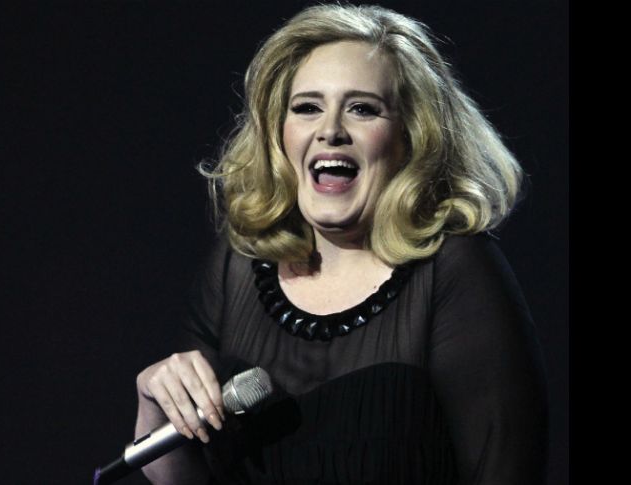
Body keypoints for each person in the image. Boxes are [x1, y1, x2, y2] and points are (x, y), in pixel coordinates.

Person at [133, 4, 548, 484]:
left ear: (411, 137)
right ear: (278, 135)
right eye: (307, 108)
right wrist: (151, 403)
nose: (330, 131)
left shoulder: (453, 271)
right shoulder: (235, 271)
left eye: (363, 109)